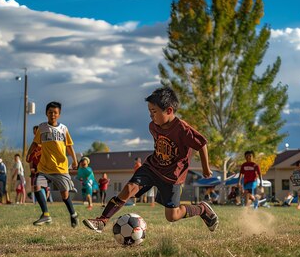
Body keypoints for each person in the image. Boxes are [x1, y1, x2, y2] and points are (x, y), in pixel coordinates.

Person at [83, 87, 218, 233]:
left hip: (172, 176)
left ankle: (202, 209)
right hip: (151, 168)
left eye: (154, 112)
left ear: (169, 111)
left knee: (172, 216)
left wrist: (205, 168)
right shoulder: (153, 126)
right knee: (128, 189)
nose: (151, 116)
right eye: (149, 112)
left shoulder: (182, 129)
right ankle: (102, 221)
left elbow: (202, 144)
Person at [26, 101, 79, 227]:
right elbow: (35, 143)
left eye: (55, 112)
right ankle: (45, 215)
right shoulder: (42, 128)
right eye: (50, 112)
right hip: (44, 167)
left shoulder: (63, 129)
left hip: (60, 168)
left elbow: (69, 146)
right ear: (46, 113)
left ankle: (73, 214)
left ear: (59, 114)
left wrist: (75, 161)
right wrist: (28, 153)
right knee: (37, 185)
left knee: (64, 196)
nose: (52, 115)